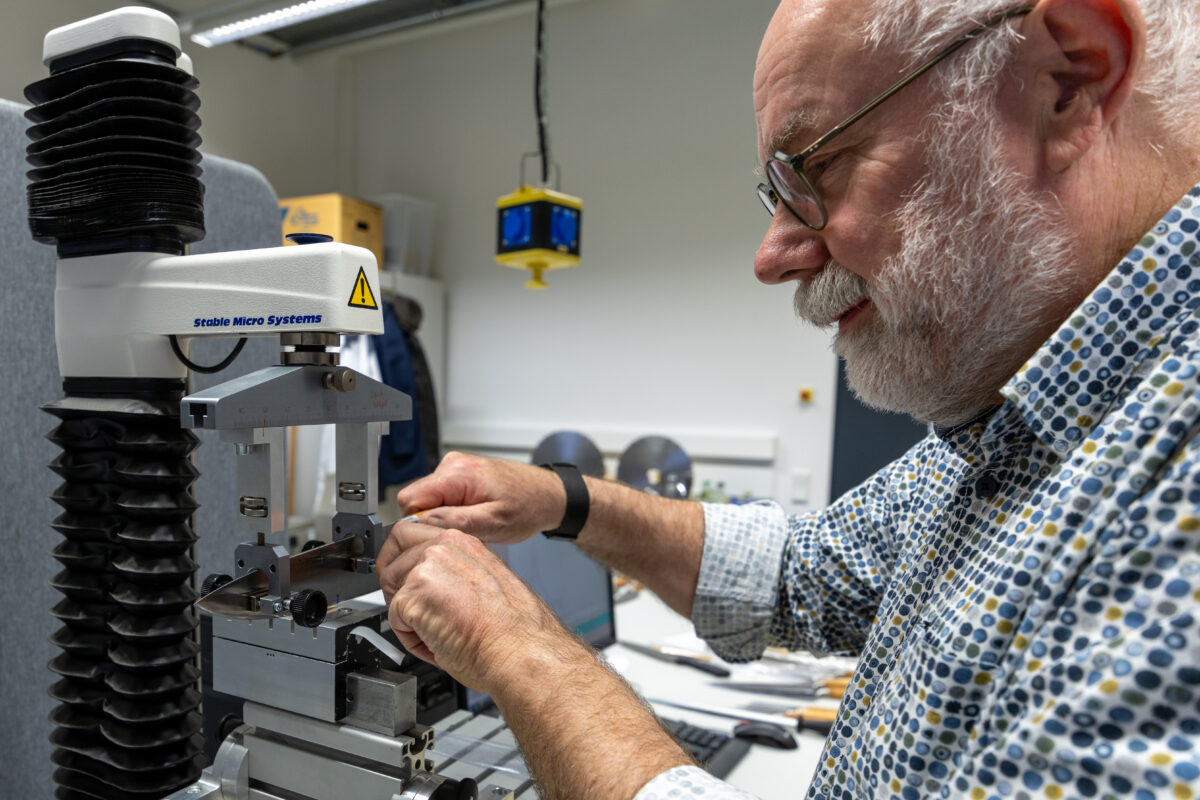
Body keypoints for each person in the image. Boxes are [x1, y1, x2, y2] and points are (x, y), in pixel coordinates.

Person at [376, 0, 1200, 797]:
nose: (771, 257)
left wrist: (518, 650)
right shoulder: (1015, 429)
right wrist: (562, 499)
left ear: (1069, 77)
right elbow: (797, 575)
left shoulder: (1172, 483)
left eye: (817, 166)